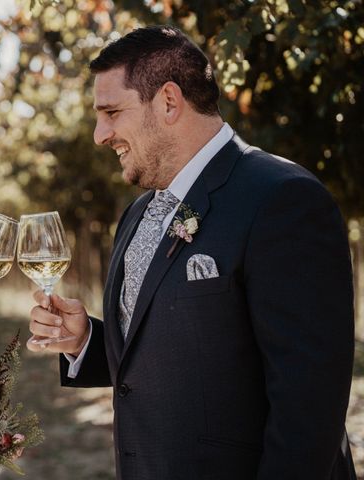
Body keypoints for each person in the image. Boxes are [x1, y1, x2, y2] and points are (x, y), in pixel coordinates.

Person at [28, 25, 356, 479]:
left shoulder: (283, 199)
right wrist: (87, 341)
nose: (100, 135)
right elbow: (177, 357)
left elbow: (310, 407)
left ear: (168, 101)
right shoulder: (139, 212)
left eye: (111, 112)